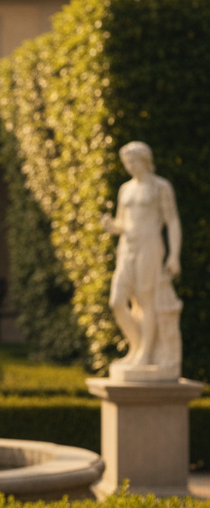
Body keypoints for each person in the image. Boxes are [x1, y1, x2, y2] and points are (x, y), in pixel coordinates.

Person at [101, 140, 183, 374]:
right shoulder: (125, 189)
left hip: (150, 246)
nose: (129, 165)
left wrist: (174, 255)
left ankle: (145, 354)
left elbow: (172, 221)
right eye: (126, 162)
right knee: (117, 301)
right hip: (127, 247)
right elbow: (122, 222)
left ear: (144, 160)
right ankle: (136, 347)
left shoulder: (160, 187)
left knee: (146, 301)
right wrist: (111, 226)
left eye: (133, 161)